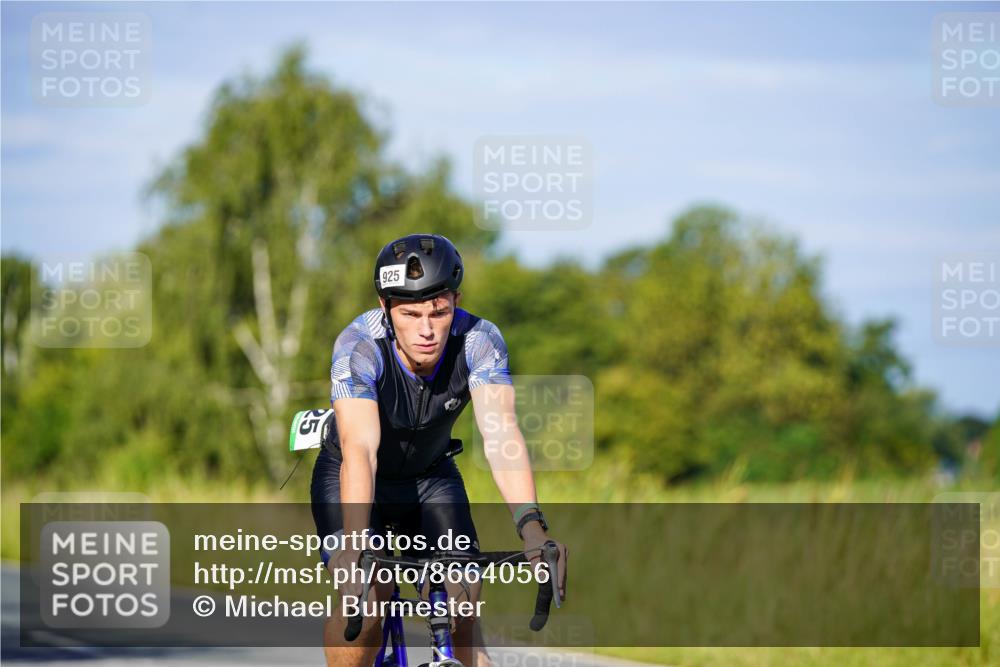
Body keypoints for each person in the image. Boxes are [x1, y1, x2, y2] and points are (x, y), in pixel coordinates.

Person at [310, 233, 567, 667]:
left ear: (456, 301)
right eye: (410, 314)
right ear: (384, 308)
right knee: (370, 593)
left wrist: (531, 527)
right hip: (352, 473)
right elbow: (360, 450)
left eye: (439, 312)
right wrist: (355, 544)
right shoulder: (357, 346)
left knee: (464, 593)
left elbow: (501, 432)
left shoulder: (480, 340)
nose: (427, 330)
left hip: (430, 477)